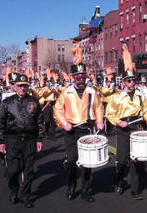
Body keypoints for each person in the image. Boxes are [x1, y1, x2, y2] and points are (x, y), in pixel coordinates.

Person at [106, 47, 147, 200]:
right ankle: (119, 181)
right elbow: (109, 114)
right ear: (124, 82)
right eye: (129, 80)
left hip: (137, 128)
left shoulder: (140, 95)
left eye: (133, 80)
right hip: (123, 129)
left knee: (136, 159)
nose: (132, 83)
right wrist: (119, 123)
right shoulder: (116, 97)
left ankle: (135, 189)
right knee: (121, 160)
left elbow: (145, 110)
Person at [53, 67, 104, 202]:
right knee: (71, 161)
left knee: (87, 162)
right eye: (77, 77)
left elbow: (98, 107)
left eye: (82, 77)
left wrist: (99, 121)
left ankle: (85, 191)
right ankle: (71, 186)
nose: (80, 79)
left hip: (86, 131)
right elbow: (58, 110)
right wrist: (64, 124)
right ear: (73, 77)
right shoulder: (66, 93)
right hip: (71, 131)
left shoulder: (92, 92)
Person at [0, 74, 44, 208]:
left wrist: (40, 138)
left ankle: (25, 195)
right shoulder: (7, 103)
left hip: (29, 140)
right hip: (13, 139)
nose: (22, 88)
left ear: (28, 86)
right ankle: (14, 189)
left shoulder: (34, 101)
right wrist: (0, 141)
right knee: (12, 170)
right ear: (15, 86)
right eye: (20, 85)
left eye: (25, 85)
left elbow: (39, 122)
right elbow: (0, 123)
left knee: (28, 170)